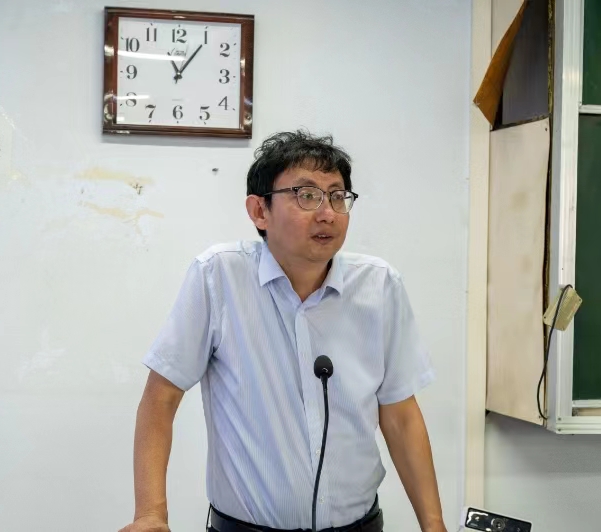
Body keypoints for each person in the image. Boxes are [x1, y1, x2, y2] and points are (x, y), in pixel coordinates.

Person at [120, 131, 447, 532]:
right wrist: (150, 514)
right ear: (260, 211)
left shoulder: (379, 286)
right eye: (307, 196)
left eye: (338, 196)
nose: (327, 213)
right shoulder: (219, 277)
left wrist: (434, 525)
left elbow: (401, 415)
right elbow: (161, 398)